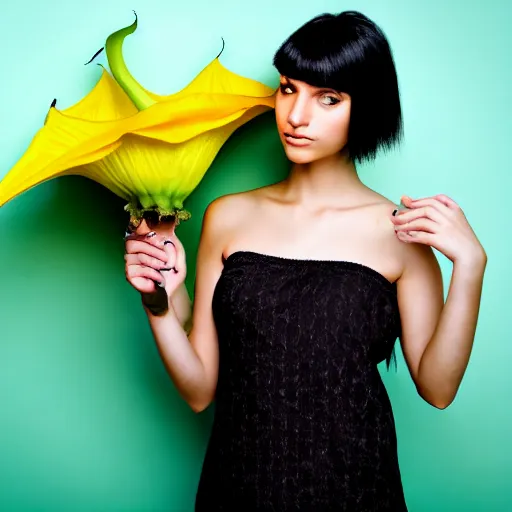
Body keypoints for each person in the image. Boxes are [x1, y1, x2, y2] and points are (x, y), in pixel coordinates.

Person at [123, 10, 487, 511]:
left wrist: (470, 265)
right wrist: (158, 305)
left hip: (357, 492)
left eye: (328, 98)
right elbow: (200, 390)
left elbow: (439, 388)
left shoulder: (402, 233)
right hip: (238, 490)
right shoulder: (228, 217)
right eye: (288, 88)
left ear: (367, 108)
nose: (296, 115)